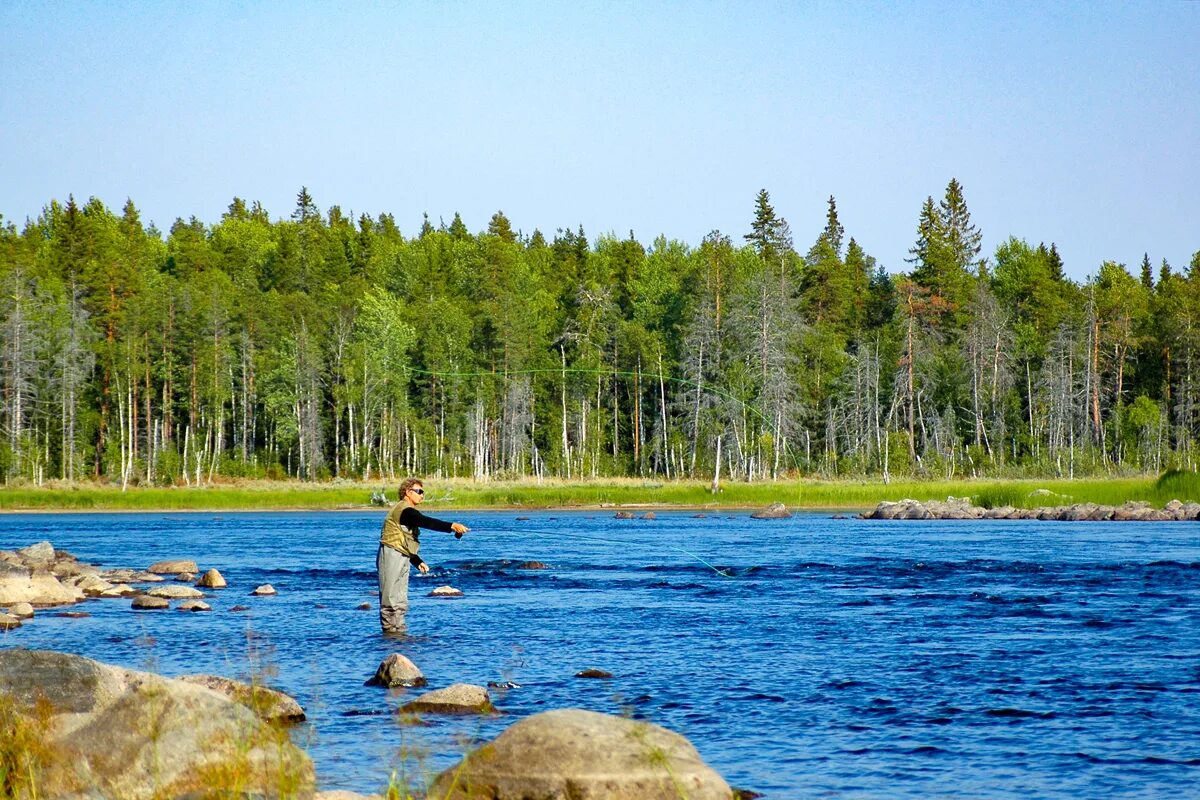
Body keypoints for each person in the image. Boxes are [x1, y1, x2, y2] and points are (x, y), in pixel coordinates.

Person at [377, 477, 469, 635]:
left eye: (423, 492)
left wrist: (416, 561)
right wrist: (451, 526)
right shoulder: (404, 510)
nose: (422, 495)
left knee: (400, 599)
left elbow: (405, 540)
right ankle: (389, 637)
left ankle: (399, 634)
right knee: (390, 599)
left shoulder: (408, 511)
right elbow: (425, 521)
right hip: (391, 554)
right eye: (419, 491)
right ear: (407, 492)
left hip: (403, 555)